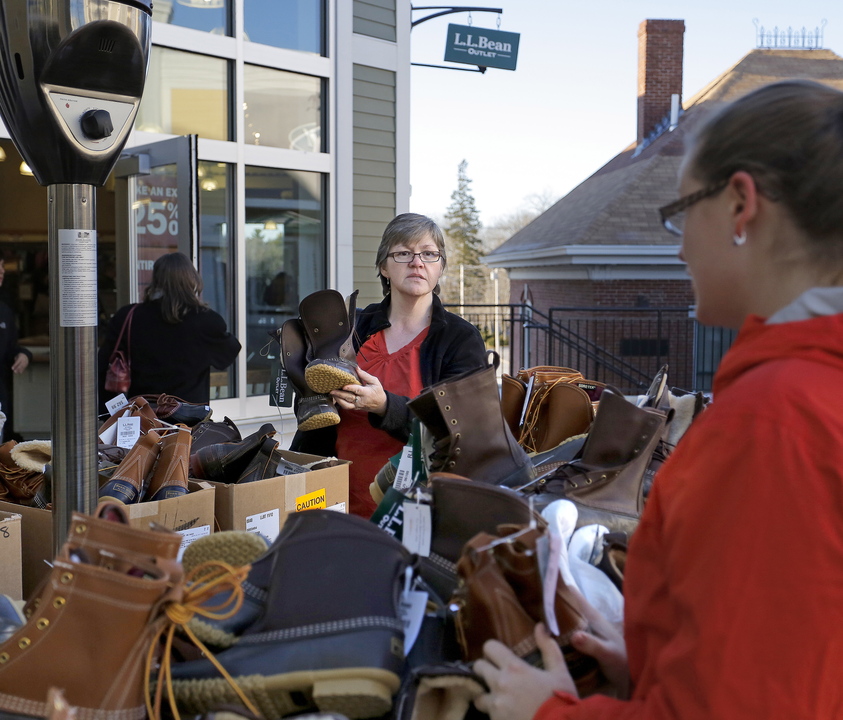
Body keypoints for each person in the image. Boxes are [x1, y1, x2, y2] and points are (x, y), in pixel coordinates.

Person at [473, 79, 843, 720]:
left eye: (681, 211)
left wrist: (548, 712)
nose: (678, 243)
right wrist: (653, 659)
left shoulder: (772, 420)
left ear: (739, 205)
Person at [291, 212, 487, 517]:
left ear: (440, 267)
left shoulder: (460, 340)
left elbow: (461, 431)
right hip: (337, 501)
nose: (417, 262)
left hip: (417, 510)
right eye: (403, 253)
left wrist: (384, 406)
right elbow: (314, 418)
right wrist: (310, 391)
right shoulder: (353, 327)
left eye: (429, 253)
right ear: (384, 266)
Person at [98, 252, 241, 406]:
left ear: (156, 280)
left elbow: (104, 362)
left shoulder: (128, 316)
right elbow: (228, 355)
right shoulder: (206, 320)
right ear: (192, 279)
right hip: (188, 419)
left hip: (142, 416)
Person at [0, 257, 31, 441]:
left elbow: (11, 348)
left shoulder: (4, 311)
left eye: (2, 265)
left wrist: (24, 354)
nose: (2, 271)